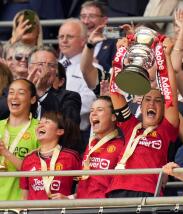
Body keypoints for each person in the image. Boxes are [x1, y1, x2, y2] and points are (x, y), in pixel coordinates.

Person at [106, 37, 179, 197]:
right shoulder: (130, 125)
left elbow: (171, 94)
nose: (152, 104)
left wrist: (166, 57)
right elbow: (114, 93)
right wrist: (120, 55)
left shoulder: (166, 130)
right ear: (140, 104)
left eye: (158, 101)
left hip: (147, 192)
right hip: (116, 191)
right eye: (148, 99)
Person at [20, 111, 81, 200]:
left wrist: (69, 199)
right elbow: (24, 197)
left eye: (47, 122)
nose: (40, 125)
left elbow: (85, 188)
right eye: (39, 123)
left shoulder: (71, 157)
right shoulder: (28, 159)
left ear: (59, 131)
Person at [58, 18, 97, 150]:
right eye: (61, 36)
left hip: (75, 136)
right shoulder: (52, 66)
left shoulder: (93, 68)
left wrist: (55, 108)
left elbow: (87, 102)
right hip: (47, 133)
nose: (64, 40)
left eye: (69, 36)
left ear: (83, 41)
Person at [76, 96, 124, 198]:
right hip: (81, 205)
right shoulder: (91, 144)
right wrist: (70, 198)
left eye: (100, 110)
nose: (93, 113)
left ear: (113, 116)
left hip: (102, 207)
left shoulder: (122, 146)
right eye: (91, 110)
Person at [0, 79, 39, 200]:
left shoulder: (40, 129)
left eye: (21, 93)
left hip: (19, 205)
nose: (14, 97)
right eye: (11, 92)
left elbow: (37, 174)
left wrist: (6, 153)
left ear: (32, 99)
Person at [79, 1, 117, 73]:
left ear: (104, 20)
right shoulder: (75, 39)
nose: (86, 21)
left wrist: (98, 63)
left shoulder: (115, 40)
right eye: (83, 16)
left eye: (92, 16)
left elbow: (117, 73)